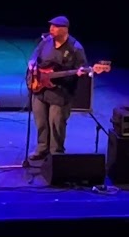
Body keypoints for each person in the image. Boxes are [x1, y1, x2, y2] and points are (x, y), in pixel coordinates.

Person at [26, 16, 88, 160]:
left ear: (64, 29)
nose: (51, 29)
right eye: (50, 26)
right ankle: (42, 149)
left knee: (56, 124)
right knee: (40, 121)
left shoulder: (75, 48)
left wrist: (81, 73)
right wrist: (31, 63)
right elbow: (35, 55)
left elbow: (83, 69)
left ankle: (56, 155)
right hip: (40, 88)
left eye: (55, 27)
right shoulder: (46, 41)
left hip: (61, 92)